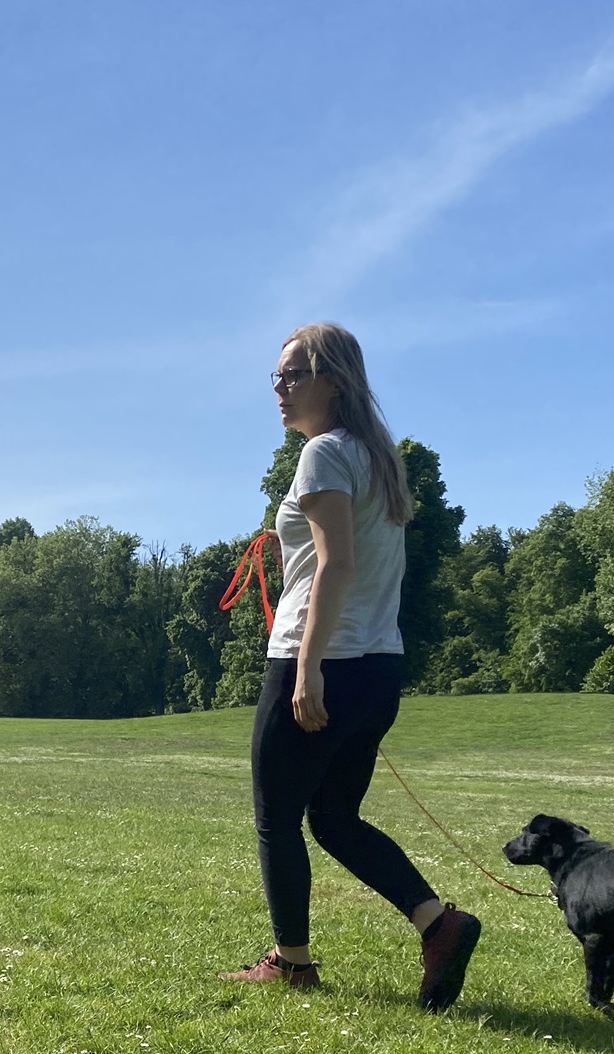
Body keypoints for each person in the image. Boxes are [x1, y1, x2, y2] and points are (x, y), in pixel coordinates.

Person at [222, 323, 481, 1009]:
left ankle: (292, 963)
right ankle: (439, 923)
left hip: (324, 661)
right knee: (333, 818)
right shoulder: (376, 457)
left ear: (335, 381)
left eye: (294, 375)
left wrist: (306, 671)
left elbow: (337, 564)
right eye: (277, 376)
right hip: (378, 668)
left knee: (277, 816)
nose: (279, 388)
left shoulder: (325, 455)